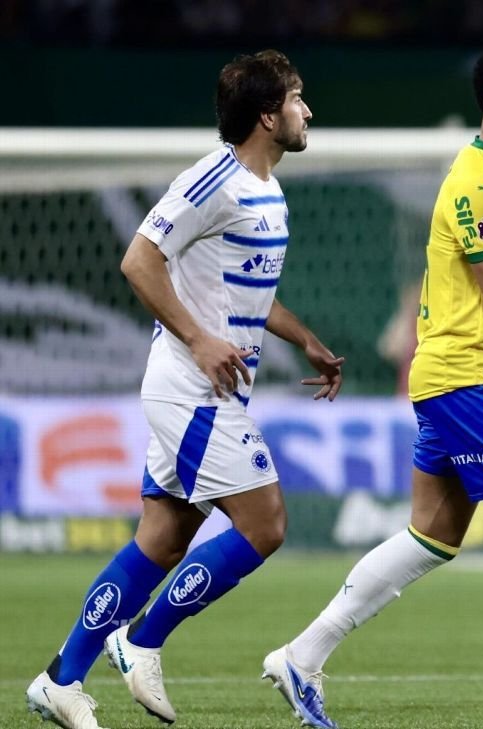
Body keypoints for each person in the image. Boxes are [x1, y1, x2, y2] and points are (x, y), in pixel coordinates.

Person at [262, 42, 483, 729]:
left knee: (432, 536)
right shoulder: (478, 182)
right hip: (468, 376)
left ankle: (301, 655)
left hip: (460, 375)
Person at [25, 50, 344, 729]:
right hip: (191, 389)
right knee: (265, 524)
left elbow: (244, 292)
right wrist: (199, 340)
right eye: (297, 98)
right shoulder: (212, 179)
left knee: (164, 538)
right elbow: (138, 260)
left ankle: (60, 679)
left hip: (214, 388)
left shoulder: (266, 189)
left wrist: (304, 338)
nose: (308, 110)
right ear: (267, 116)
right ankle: (141, 640)